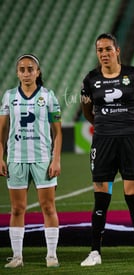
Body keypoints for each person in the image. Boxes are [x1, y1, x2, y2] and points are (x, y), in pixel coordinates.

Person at [80, 33, 134, 266]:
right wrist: (104, 127)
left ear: (117, 50)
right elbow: (86, 110)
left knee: (133, 196)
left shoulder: (133, 74)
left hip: (130, 141)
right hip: (103, 141)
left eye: (107, 49)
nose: (104, 54)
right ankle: (95, 252)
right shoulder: (90, 79)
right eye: (100, 50)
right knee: (101, 198)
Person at [0, 54, 62, 268]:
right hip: (16, 159)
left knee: (48, 207)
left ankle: (51, 256)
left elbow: (58, 133)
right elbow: (2, 131)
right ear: (17, 73)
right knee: (17, 209)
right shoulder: (8, 97)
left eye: (30, 69)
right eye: (22, 69)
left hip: (43, 160)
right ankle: (17, 257)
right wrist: (0, 156)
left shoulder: (48, 96)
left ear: (38, 72)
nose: (26, 73)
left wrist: (56, 159)